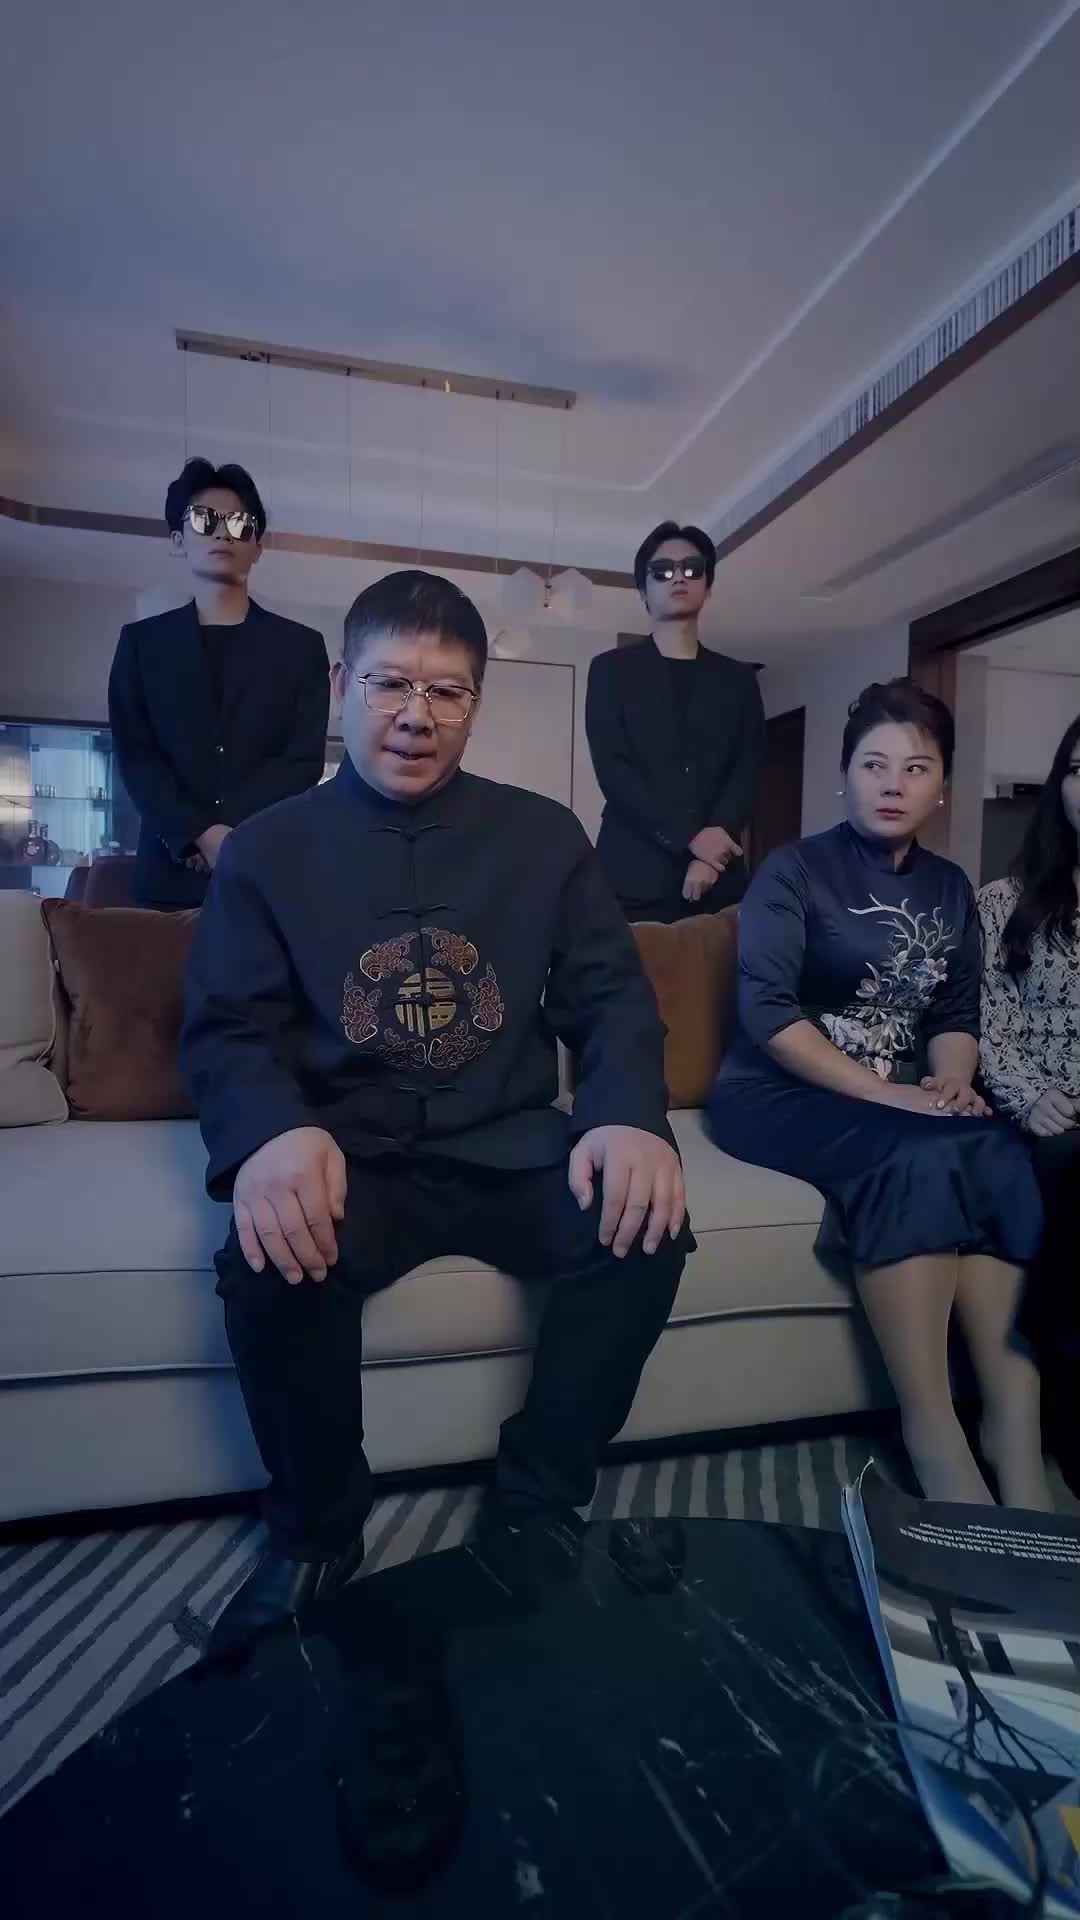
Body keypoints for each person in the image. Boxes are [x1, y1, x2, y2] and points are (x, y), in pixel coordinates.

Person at [180, 568, 692, 1645]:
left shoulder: (545, 838)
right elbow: (229, 1026)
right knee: (266, 1255)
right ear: (342, 686)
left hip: (509, 1145)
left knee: (646, 1225)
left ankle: (539, 1500)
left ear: (474, 704)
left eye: (447, 691)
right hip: (351, 1155)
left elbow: (611, 999)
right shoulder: (265, 850)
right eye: (391, 683)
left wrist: (627, 1115)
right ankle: (318, 1532)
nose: (416, 715)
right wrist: (272, 1133)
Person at [706, 678, 1051, 1511]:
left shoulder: (949, 886)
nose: (892, 784)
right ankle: (934, 1434)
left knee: (999, 1151)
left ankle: (1013, 1433)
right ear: (845, 776)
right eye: (873, 764)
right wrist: (891, 1098)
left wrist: (952, 1080)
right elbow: (767, 1013)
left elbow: (955, 1013)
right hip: (776, 1090)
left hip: (899, 1091)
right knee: (918, 1157)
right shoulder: (793, 870)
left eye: (915, 768)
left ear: (941, 786)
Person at [108, 458, 330, 909]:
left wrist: (230, 834)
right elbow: (137, 755)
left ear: (257, 547)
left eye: (239, 523)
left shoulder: (302, 647)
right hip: (168, 876)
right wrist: (199, 833)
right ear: (178, 540)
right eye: (204, 520)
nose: (222, 533)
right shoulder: (141, 644)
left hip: (267, 871)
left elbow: (302, 760)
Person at [978, 712, 1080, 1496]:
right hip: (1043, 1113)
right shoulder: (1003, 901)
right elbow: (988, 1023)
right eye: (1078, 770)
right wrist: (1028, 1095)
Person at [585, 522, 765, 922]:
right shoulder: (610, 671)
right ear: (643, 590)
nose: (678, 577)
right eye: (662, 570)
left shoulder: (738, 679)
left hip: (718, 876)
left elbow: (747, 770)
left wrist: (712, 849)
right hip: (632, 871)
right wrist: (691, 838)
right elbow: (614, 771)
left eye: (692, 568)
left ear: (708, 586)